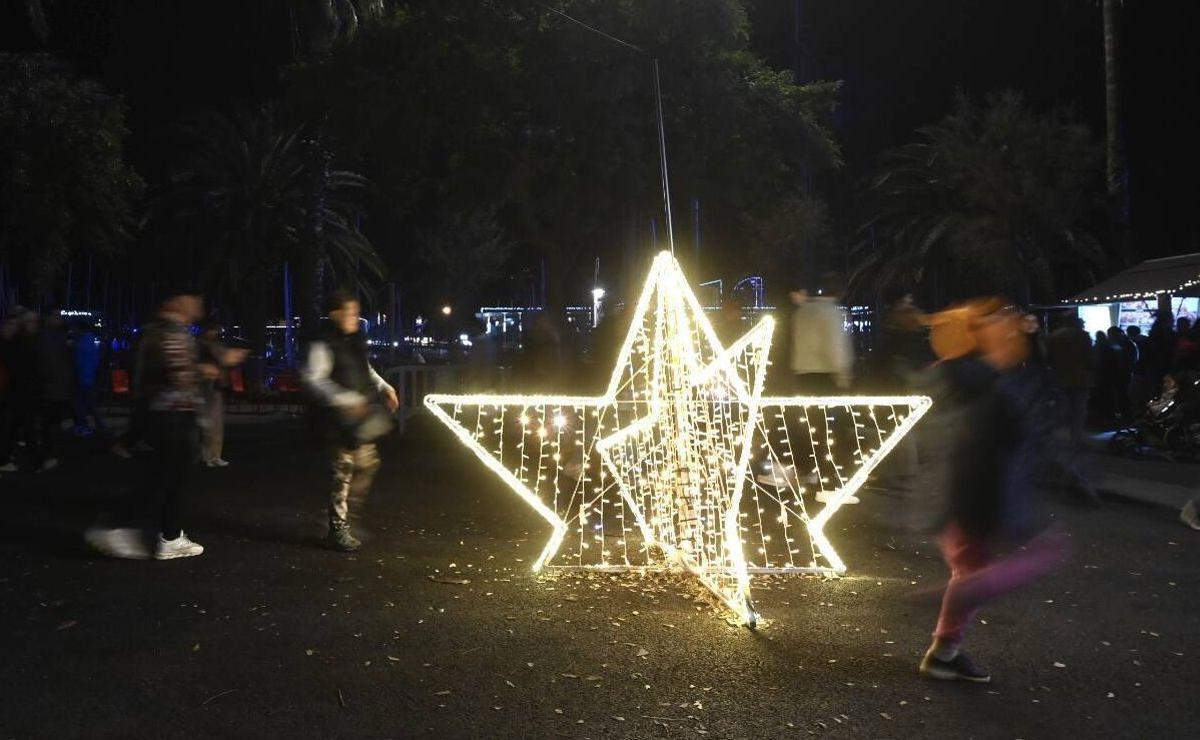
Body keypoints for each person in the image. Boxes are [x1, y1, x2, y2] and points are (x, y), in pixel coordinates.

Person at [919, 299, 1068, 683]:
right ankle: (944, 645)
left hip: (963, 494)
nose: (995, 328)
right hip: (971, 495)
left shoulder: (963, 376)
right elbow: (1007, 432)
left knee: (971, 569)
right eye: (983, 325)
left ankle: (945, 648)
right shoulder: (976, 380)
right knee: (985, 570)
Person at [85, 287, 208, 560]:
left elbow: (147, 381)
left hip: (163, 415)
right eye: (193, 301)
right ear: (177, 303)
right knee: (169, 478)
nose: (198, 308)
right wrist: (205, 371)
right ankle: (139, 529)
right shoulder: (172, 335)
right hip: (174, 416)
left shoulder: (154, 334)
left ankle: (167, 534)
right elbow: (179, 376)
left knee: (166, 477)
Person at [302, 291, 400, 552]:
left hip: (358, 421)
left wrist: (384, 386)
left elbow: (365, 368)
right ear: (335, 314)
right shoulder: (323, 343)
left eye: (356, 312)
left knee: (367, 464)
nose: (355, 317)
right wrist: (346, 399)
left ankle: (340, 514)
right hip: (336, 421)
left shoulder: (354, 339)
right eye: (349, 312)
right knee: (342, 472)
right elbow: (314, 379)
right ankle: (337, 527)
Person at [789, 275, 853, 393]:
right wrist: (843, 376)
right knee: (826, 410)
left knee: (808, 410)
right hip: (825, 374)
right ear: (841, 291)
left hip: (802, 372)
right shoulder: (833, 311)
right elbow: (834, 346)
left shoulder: (802, 311)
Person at [197, 322, 248, 467]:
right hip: (207, 387)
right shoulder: (204, 345)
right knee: (210, 423)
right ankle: (209, 456)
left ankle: (213, 455)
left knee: (215, 424)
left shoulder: (212, 344)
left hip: (214, 387)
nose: (216, 333)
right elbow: (223, 359)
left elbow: (225, 359)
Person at [1047, 317, 1096, 450]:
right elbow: (1090, 357)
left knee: (1059, 410)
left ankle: (1050, 438)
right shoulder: (1083, 336)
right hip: (1080, 378)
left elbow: (1048, 357)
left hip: (1059, 377)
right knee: (1079, 412)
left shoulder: (1054, 336)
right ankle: (1075, 440)